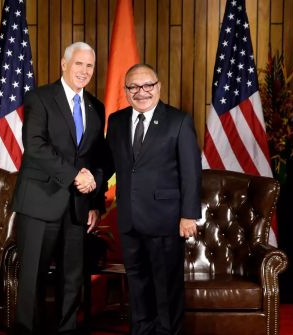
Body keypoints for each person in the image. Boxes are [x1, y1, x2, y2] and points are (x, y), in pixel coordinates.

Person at [12, 42, 108, 334]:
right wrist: (74, 175)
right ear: (63, 64)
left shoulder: (96, 106)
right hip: (41, 202)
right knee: (33, 279)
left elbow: (97, 156)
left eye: (89, 66)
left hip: (78, 207)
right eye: (78, 64)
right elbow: (36, 147)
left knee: (72, 279)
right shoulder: (39, 98)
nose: (84, 71)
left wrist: (95, 201)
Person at [105, 64, 201, 335]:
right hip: (129, 219)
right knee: (137, 285)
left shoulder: (178, 120)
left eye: (147, 85)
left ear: (158, 86)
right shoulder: (117, 121)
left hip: (166, 219)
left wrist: (189, 215)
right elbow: (108, 162)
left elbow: (191, 172)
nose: (141, 92)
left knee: (166, 287)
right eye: (133, 87)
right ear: (126, 91)